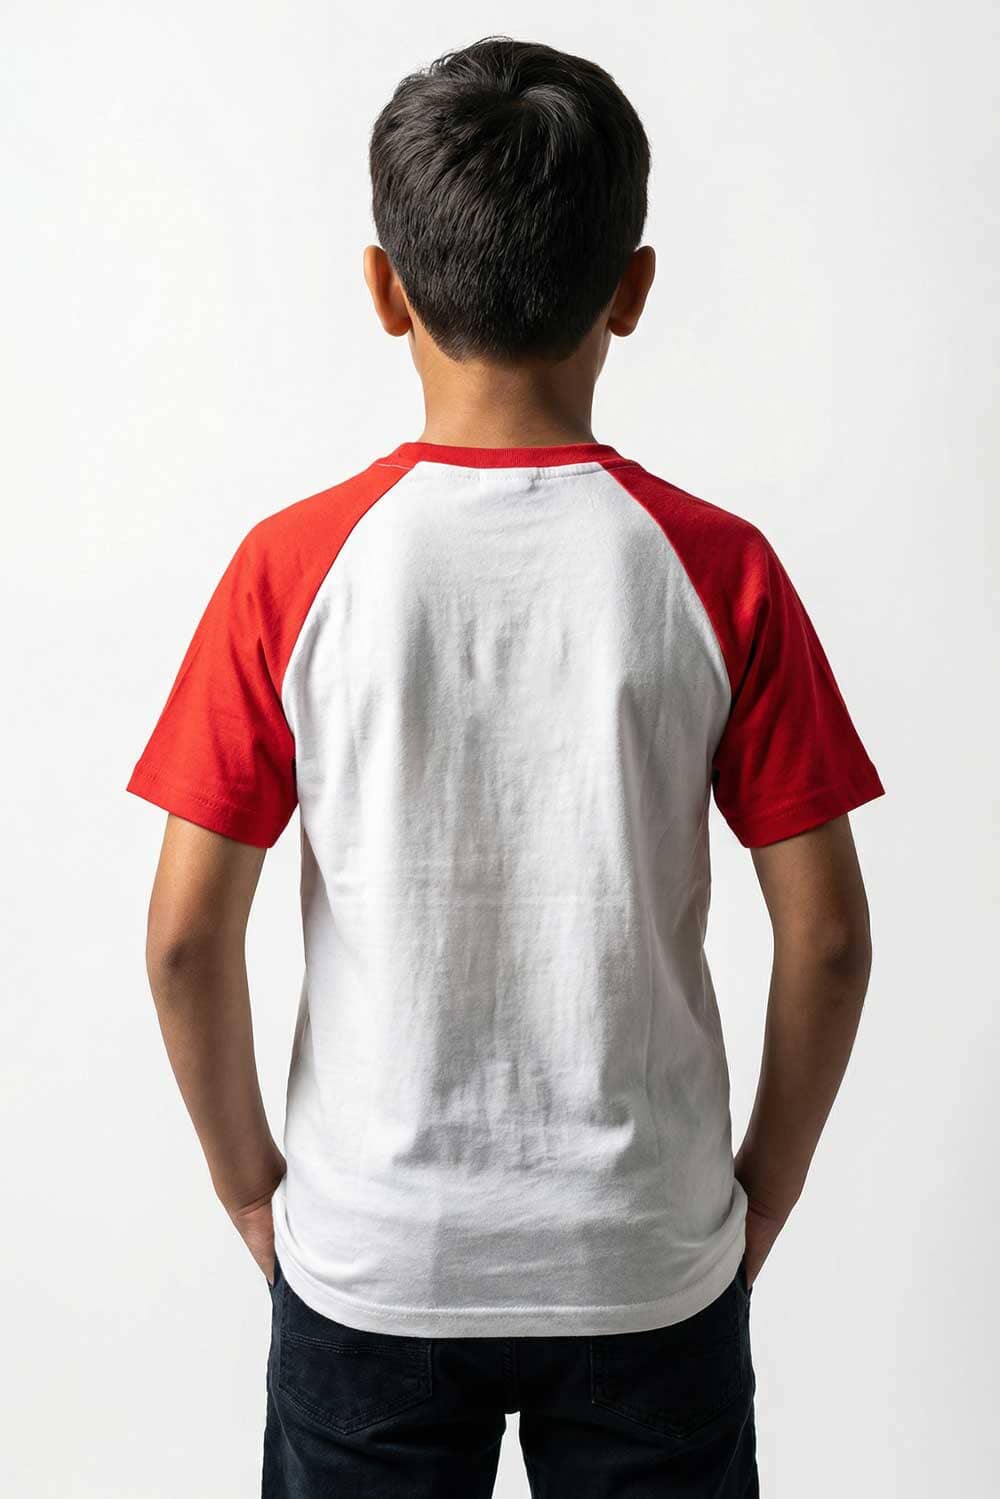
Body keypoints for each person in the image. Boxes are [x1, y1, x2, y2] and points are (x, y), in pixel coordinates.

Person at [126, 36, 884, 1499]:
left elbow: (181, 941)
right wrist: (762, 1195)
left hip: (373, 1260)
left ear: (384, 287)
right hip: (646, 1257)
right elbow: (832, 939)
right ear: (633, 289)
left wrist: (250, 1189)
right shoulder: (718, 571)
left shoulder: (293, 572)